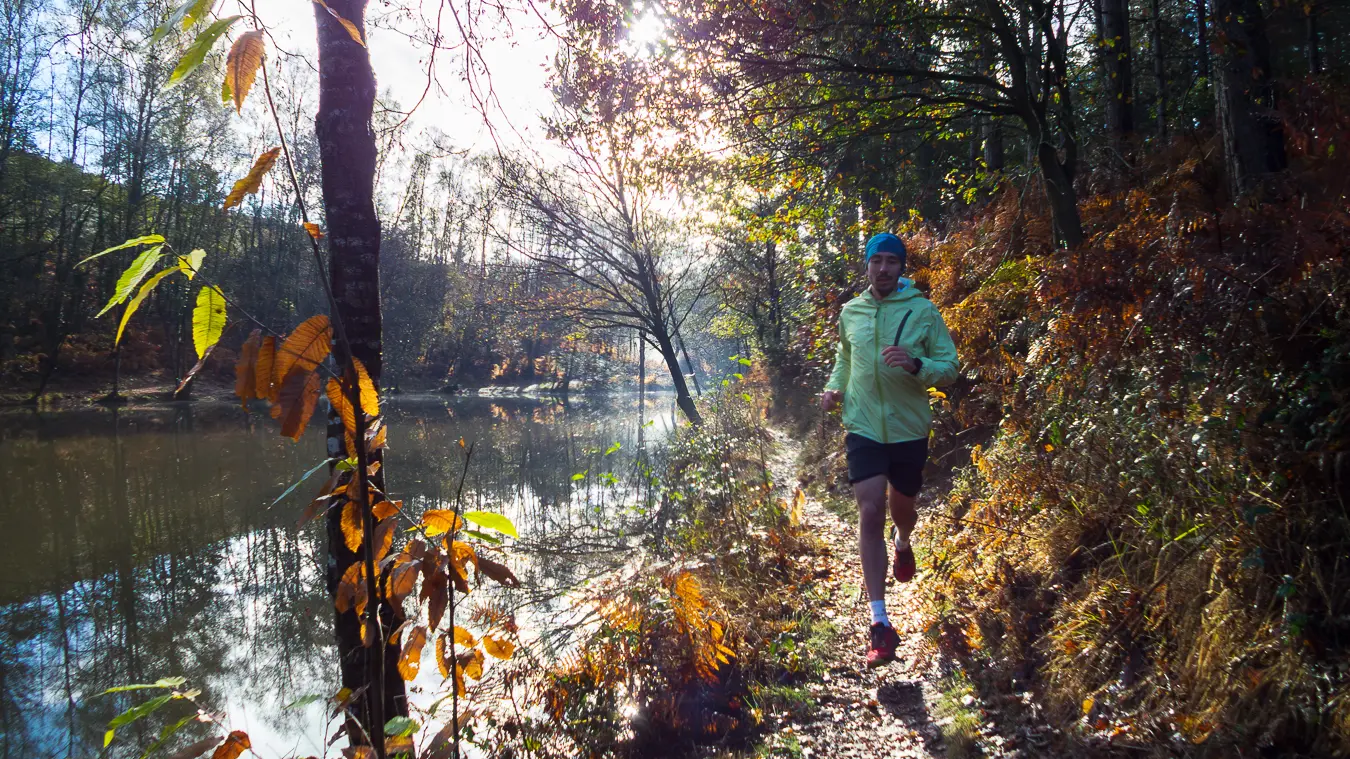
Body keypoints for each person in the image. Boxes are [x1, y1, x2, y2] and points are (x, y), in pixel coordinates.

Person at [820, 232, 959, 667]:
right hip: (862, 426)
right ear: (867, 265)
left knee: (904, 508)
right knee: (868, 509)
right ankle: (879, 623)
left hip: (908, 429)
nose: (883, 269)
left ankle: (903, 541)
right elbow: (845, 358)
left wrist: (917, 365)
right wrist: (834, 387)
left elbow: (950, 368)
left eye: (891, 262)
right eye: (876, 260)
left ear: (901, 268)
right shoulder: (852, 312)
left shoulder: (923, 312)